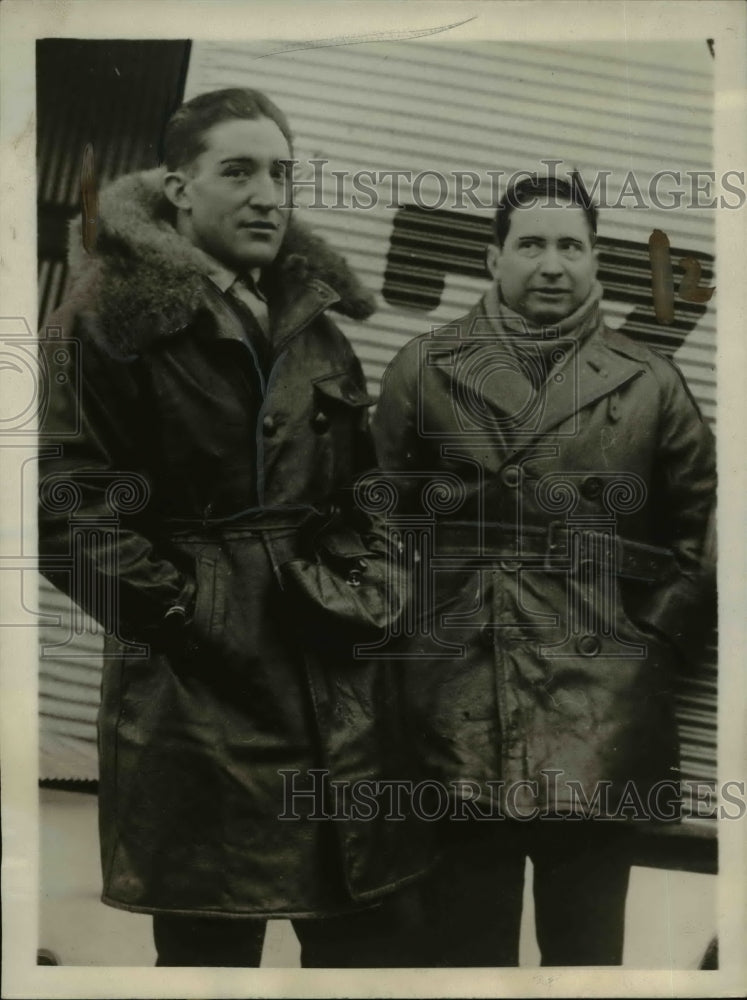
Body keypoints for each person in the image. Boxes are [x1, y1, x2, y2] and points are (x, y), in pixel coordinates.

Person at [38, 88, 425, 967]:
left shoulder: (311, 322)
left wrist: (373, 584)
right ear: (178, 188)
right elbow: (59, 507)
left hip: (331, 675)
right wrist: (185, 616)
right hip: (195, 697)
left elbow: (364, 491)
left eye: (282, 172)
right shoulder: (107, 316)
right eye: (238, 170)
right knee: (211, 954)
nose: (267, 194)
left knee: (373, 943)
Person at [373, 173, 716, 966]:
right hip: (453, 712)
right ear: (493, 258)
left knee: (586, 961)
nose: (551, 264)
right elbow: (378, 522)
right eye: (531, 244)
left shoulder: (649, 383)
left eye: (571, 246)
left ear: (597, 262)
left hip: (600, 716)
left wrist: (653, 643)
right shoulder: (423, 369)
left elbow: (706, 534)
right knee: (461, 961)